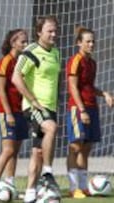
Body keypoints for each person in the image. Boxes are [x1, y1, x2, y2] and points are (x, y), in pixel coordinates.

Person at [12, 16, 61, 203]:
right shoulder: (31, 51)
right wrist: (33, 101)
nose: (53, 34)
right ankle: (48, 174)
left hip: (50, 107)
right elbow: (16, 78)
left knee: (37, 151)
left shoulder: (56, 52)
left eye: (55, 30)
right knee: (51, 128)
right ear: (39, 32)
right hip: (35, 107)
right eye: (49, 31)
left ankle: (31, 192)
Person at [66, 26, 113, 199]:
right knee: (75, 146)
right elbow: (73, 86)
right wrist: (82, 109)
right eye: (88, 41)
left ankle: (84, 186)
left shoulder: (92, 62)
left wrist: (104, 94)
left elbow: (89, 87)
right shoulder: (75, 60)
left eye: (93, 41)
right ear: (79, 43)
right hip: (78, 109)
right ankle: (72, 187)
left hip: (92, 108)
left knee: (86, 148)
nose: (92, 44)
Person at [0, 29, 29, 198]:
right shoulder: (5, 62)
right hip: (7, 112)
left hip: (21, 111)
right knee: (8, 149)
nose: (25, 45)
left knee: (15, 150)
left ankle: (9, 183)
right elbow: (1, 90)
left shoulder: (22, 62)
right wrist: (9, 113)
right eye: (22, 42)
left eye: (27, 42)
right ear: (13, 43)